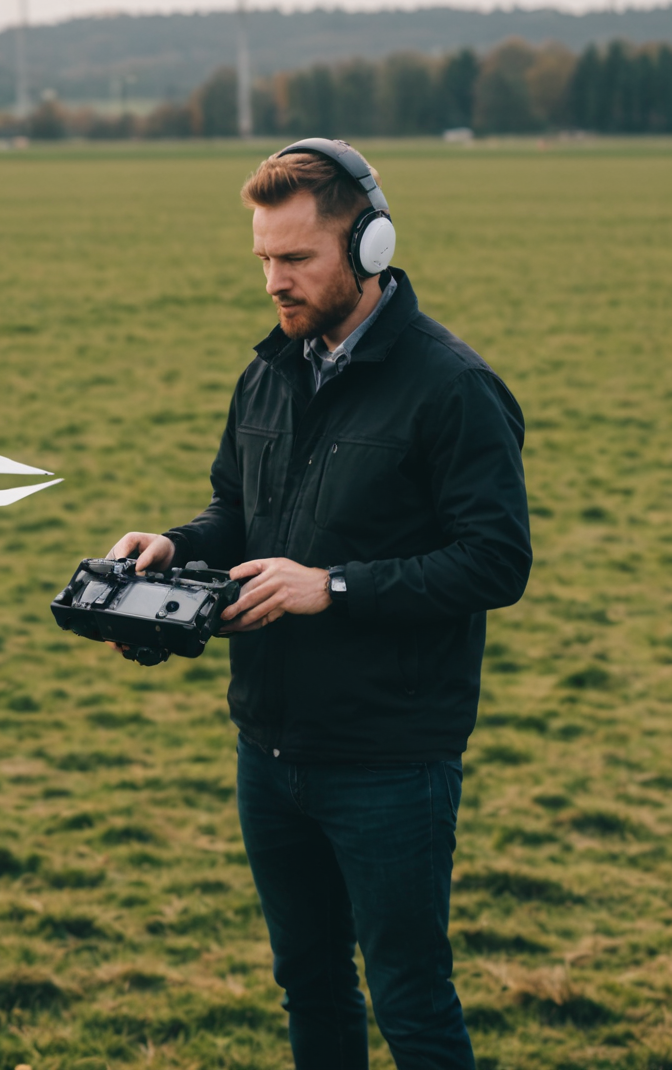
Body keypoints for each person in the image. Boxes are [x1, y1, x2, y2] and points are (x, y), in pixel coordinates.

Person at [108, 139, 532, 1069]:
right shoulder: (268, 372)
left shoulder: (453, 388)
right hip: (268, 749)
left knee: (412, 1002)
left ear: (369, 246)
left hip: (389, 761)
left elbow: (496, 562)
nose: (275, 282)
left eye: (296, 258)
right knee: (309, 983)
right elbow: (236, 510)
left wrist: (330, 587)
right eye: (264, 258)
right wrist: (175, 546)